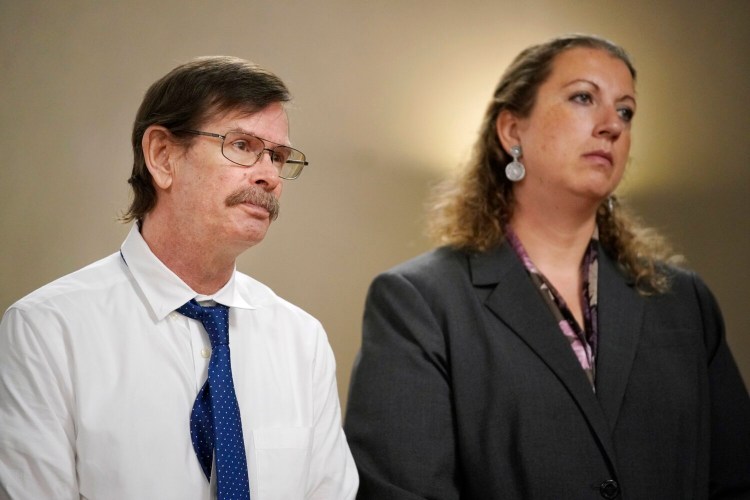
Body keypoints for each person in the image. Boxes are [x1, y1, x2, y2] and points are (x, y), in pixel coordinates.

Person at [344, 34, 750, 499]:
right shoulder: (419, 302)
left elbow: (736, 481)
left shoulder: (683, 301)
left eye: (625, 111)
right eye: (583, 98)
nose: (611, 126)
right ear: (512, 131)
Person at [0, 56, 358, 499]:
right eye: (243, 145)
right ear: (162, 156)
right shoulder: (48, 330)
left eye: (279, 157)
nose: (269, 175)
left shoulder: (302, 341)